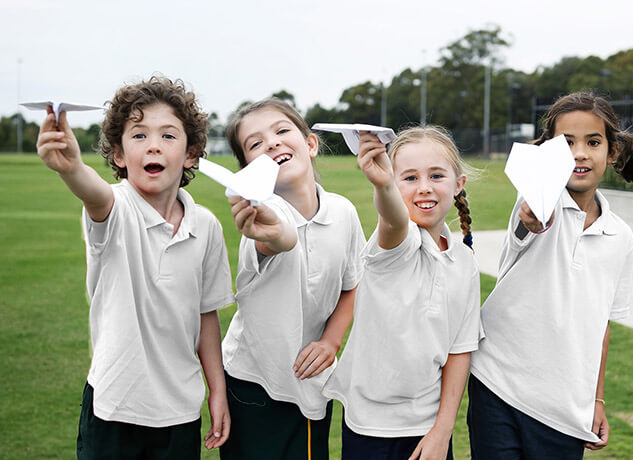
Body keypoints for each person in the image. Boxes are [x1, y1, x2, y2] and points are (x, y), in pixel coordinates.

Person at [36, 76, 235, 459]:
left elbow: (205, 316)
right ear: (120, 155)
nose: (154, 145)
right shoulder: (114, 209)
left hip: (179, 412)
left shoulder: (206, 225)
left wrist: (218, 391)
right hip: (114, 408)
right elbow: (93, 193)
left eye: (169, 136)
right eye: (139, 136)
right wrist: (70, 168)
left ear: (191, 154)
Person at [467, 91, 633, 459]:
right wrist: (534, 218)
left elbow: (602, 326)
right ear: (548, 153)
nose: (579, 153)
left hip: (565, 410)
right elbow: (530, 220)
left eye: (593, 142)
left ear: (612, 152)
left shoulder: (621, 238)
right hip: (498, 385)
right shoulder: (537, 203)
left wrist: (596, 398)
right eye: (566, 143)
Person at [323, 126, 483, 460]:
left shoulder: (464, 261)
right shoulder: (397, 243)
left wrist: (442, 430)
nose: (424, 188)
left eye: (436, 175)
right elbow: (393, 220)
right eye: (409, 178)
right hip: (371, 430)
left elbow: (459, 351)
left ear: (459, 184)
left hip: (428, 431)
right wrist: (381, 184)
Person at [219, 99, 366, 460]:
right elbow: (279, 239)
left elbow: (354, 284)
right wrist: (270, 233)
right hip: (251, 383)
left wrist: (331, 342)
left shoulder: (343, 212)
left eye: (282, 131)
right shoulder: (261, 222)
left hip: (310, 379)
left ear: (311, 144)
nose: (271, 143)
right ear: (250, 172)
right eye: (255, 144)